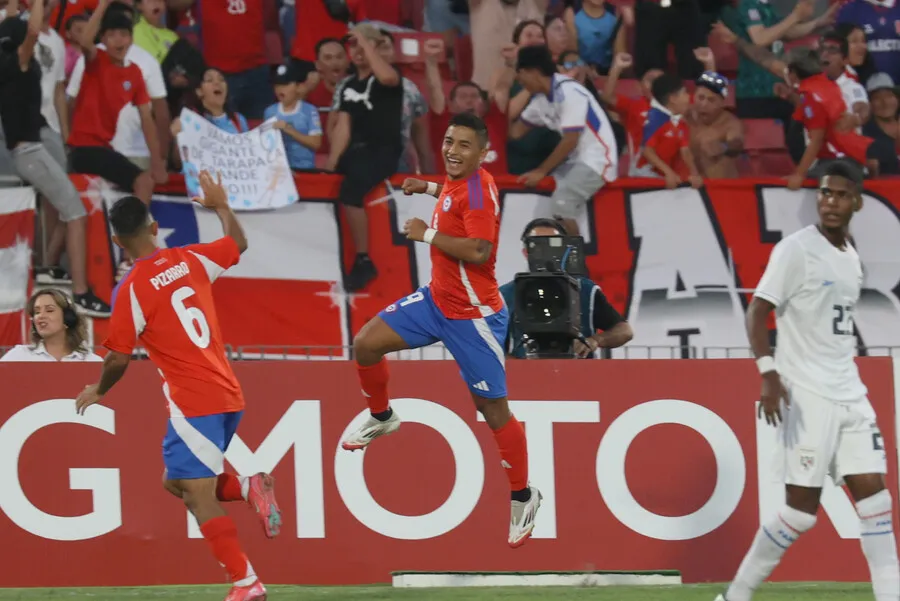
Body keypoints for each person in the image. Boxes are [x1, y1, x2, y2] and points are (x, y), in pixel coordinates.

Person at [73, 173, 281, 601]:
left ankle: (247, 583)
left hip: (193, 400)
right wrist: (222, 206)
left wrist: (98, 390)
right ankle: (247, 487)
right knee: (176, 481)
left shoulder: (130, 290)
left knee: (196, 493)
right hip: (227, 393)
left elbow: (117, 356)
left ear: (117, 242)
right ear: (153, 228)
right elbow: (238, 244)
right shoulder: (191, 259)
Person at [341, 112, 543, 549]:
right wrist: (426, 187)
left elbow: (479, 248)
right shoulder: (466, 181)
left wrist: (426, 234)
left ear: (482, 152)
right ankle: (382, 416)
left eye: (463, 145)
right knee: (366, 344)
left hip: (474, 317)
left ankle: (524, 495)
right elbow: (454, 198)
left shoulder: (478, 192)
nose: (452, 150)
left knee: (492, 411)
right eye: (449, 141)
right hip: (436, 301)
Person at [716, 160, 900, 601]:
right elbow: (758, 310)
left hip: (850, 393)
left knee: (877, 505)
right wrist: (768, 373)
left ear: (857, 201)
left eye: (839, 194)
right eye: (823, 193)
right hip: (809, 395)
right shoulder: (796, 250)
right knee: (800, 513)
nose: (829, 201)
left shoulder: (850, 255)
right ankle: (734, 596)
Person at [0, 0, 110, 316]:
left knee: (69, 209)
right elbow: (33, 30)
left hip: (31, 148)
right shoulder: (17, 63)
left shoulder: (11, 65)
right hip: (28, 152)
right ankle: (81, 292)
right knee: (75, 214)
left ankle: (53, 268)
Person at [326, 23, 403, 292]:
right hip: (356, 150)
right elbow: (343, 126)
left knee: (352, 188)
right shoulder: (348, 84)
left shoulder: (388, 78)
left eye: (363, 44)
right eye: (353, 46)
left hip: (383, 148)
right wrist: (332, 162)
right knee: (338, 177)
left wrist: (366, 41)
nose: (357, 50)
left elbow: (389, 78)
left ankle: (363, 259)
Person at [510, 44, 618, 236]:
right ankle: (557, 259)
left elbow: (571, 139)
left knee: (562, 203)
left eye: (520, 73)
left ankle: (576, 262)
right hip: (575, 162)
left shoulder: (569, 92)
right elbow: (515, 132)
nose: (518, 79)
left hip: (598, 159)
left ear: (532, 71)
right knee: (547, 210)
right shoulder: (541, 101)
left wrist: (541, 171)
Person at [66, 0, 166, 204]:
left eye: (123, 34)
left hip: (104, 148)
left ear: (131, 39)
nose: (118, 41)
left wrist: (157, 161)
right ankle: (135, 235)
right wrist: (103, 4)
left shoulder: (135, 72)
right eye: (111, 35)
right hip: (84, 148)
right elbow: (85, 42)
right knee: (144, 182)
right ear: (102, 39)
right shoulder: (96, 60)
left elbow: (147, 119)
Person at [500, 218, 632, 358]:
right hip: (526, 377)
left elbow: (624, 330)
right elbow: (491, 344)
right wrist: (517, 367)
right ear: (526, 252)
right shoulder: (506, 295)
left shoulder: (586, 290)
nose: (546, 250)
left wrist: (595, 340)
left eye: (552, 244)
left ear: (564, 248)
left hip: (579, 375)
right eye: (538, 245)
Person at [633, 73, 702, 190]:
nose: (688, 97)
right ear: (673, 99)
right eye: (685, 93)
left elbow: (685, 151)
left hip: (663, 176)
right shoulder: (655, 119)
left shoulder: (680, 122)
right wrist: (669, 172)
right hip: (643, 176)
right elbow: (647, 151)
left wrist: (694, 174)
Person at [0, 289, 101, 362]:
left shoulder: (91, 361)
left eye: (49, 310)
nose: (41, 316)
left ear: (68, 318)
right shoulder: (19, 356)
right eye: (37, 312)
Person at [264, 62, 322, 171]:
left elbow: (316, 143)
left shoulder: (309, 111)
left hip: (305, 169)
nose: (280, 89)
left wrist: (290, 130)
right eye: (277, 85)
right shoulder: (270, 112)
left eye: (285, 85)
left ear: (299, 86)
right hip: (279, 171)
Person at [687, 71, 744, 179]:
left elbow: (737, 143)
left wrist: (724, 147)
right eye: (701, 98)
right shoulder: (685, 115)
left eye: (711, 100)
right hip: (690, 187)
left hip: (720, 186)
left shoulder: (730, 123)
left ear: (722, 103)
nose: (704, 104)